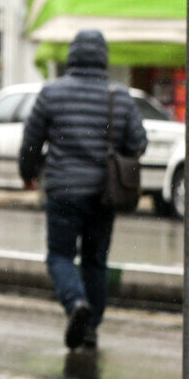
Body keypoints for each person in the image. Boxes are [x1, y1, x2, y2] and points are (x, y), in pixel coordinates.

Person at [18, 29, 145, 351]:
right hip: (104, 193)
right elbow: (138, 142)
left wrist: (27, 173)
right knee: (95, 261)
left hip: (63, 190)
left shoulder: (52, 93)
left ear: (72, 56)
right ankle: (90, 329)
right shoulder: (119, 96)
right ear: (103, 58)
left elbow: (31, 140)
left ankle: (75, 302)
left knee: (60, 255)